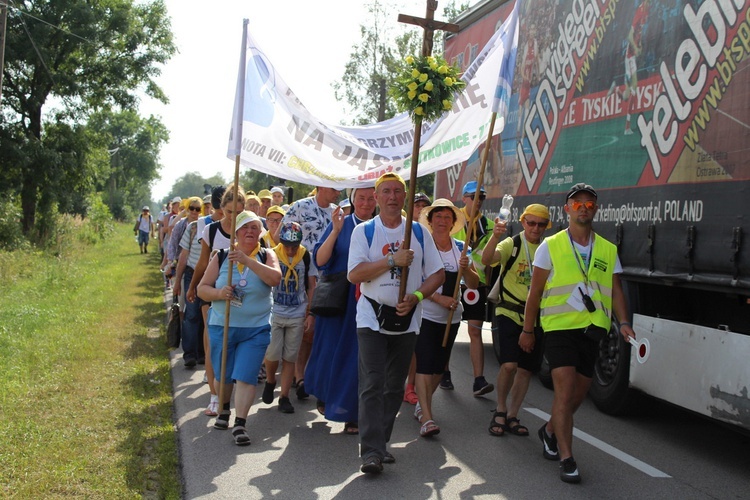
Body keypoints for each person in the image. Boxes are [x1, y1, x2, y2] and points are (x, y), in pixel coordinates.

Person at [521, 183, 635, 483]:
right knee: (564, 390)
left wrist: (623, 323)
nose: (583, 208)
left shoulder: (608, 249)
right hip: (559, 329)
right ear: (567, 209)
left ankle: (548, 431)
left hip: (593, 331)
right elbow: (535, 293)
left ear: (595, 209)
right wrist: (528, 330)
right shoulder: (552, 245)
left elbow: (616, 291)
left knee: (577, 395)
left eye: (589, 203)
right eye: (577, 203)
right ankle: (567, 457)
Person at [348, 172, 445, 474]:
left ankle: (381, 442)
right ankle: (372, 452)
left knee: (393, 387)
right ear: (376, 198)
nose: (392, 197)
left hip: (407, 319)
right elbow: (355, 274)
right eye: (386, 191)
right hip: (371, 318)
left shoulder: (418, 231)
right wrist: (392, 261)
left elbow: (438, 274)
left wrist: (416, 296)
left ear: (405, 197)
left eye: (398, 192)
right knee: (373, 383)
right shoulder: (364, 232)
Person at [197, 211, 282, 446]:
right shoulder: (221, 256)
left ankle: (240, 424)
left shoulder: (267, 255)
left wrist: (247, 261)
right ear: (235, 233)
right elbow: (201, 289)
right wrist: (218, 293)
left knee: (245, 376)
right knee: (223, 377)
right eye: (245, 227)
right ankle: (224, 409)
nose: (250, 232)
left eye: (255, 227)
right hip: (222, 325)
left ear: (260, 232)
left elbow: (275, 279)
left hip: (255, 328)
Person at [305, 187, 376, 435]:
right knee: (329, 350)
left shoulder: (381, 227)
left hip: (368, 299)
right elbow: (320, 261)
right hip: (338, 299)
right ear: (353, 199)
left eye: (371, 198)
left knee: (357, 356)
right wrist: (334, 232)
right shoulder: (342, 223)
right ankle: (326, 393)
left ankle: (352, 412)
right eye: (361, 198)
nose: (366, 203)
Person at [482, 204, 551, 437]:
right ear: (523, 222)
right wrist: (495, 236)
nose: (535, 228)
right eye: (531, 223)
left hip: (536, 317)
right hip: (509, 311)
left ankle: (512, 414)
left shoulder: (548, 248)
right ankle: (500, 409)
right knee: (509, 365)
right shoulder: (513, 244)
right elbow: (487, 259)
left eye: (541, 224)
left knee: (525, 370)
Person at [413, 199, 479, 438]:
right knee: (424, 364)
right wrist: (438, 300)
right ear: (430, 221)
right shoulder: (422, 247)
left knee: (439, 367)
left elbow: (474, 284)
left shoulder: (461, 248)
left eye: (447, 218)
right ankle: (428, 418)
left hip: (452, 318)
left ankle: (423, 404)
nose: (442, 221)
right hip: (426, 314)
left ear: (453, 223)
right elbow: (416, 283)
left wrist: (468, 268)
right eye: (438, 217)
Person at [187, 186, 245, 416]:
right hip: (212, 294)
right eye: (229, 211)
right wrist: (192, 286)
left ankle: (232, 389)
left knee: (236, 344)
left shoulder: (249, 229)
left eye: (238, 212)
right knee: (213, 343)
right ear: (221, 209)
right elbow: (202, 263)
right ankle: (214, 395)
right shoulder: (211, 231)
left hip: (240, 296)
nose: (233, 217)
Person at [283, 185, 341, 399]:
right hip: (300, 275)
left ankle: (313, 375)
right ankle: (299, 378)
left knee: (319, 329)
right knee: (303, 326)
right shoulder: (299, 207)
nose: (338, 193)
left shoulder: (339, 213)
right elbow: (282, 236)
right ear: (321, 186)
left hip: (329, 277)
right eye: (335, 189)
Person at [443, 180, 496, 397]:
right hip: (453, 281)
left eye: (481, 197)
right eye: (473, 196)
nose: (478, 201)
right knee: (448, 328)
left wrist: (488, 284)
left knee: (475, 330)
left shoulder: (491, 226)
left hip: (476, 281)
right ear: (464, 198)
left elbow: (491, 260)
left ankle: (478, 379)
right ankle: (444, 372)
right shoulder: (454, 222)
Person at [262, 222, 314, 414]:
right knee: (272, 353)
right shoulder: (272, 254)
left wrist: (310, 312)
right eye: (287, 247)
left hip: (297, 311)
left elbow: (311, 285)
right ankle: (270, 380)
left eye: (294, 247)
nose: (291, 251)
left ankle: (284, 397)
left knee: (290, 356)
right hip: (275, 310)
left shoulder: (305, 256)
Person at [404, 191, 432, 405]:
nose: (420, 208)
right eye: (417, 205)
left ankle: (410, 386)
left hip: (423, 295)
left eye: (424, 205)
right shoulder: (401, 228)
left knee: (417, 346)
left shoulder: (427, 232)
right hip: (401, 294)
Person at [608, 0, 651, 135]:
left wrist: (640, 45)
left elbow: (640, 32)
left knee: (628, 95)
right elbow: (629, 35)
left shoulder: (647, 10)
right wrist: (635, 48)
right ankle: (627, 127)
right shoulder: (639, 11)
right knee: (633, 91)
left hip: (633, 55)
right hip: (630, 56)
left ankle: (616, 89)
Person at [173, 197, 205, 367]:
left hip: (208, 276)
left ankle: (202, 353)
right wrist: (177, 281)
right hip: (191, 273)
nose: (194, 212)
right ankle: (189, 354)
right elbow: (182, 255)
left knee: (205, 315)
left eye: (198, 209)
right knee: (191, 314)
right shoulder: (191, 228)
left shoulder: (210, 228)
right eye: (191, 208)